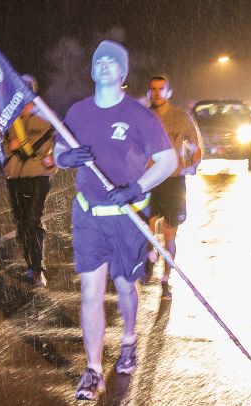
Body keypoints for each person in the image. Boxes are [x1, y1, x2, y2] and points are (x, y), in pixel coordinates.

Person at [53, 40, 177, 401]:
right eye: (99, 60)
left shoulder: (139, 116)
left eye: (112, 61)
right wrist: (66, 157)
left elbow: (168, 161)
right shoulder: (77, 112)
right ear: (92, 70)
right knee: (91, 291)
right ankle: (92, 369)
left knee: (125, 286)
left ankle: (128, 339)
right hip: (88, 215)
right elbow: (59, 150)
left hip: (126, 217)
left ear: (122, 73)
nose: (104, 64)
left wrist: (136, 188)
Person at [145, 74, 203, 299]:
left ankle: (166, 280)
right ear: (149, 92)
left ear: (168, 92)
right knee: (146, 229)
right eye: (153, 89)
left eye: (161, 88)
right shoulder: (143, 117)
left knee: (170, 235)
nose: (157, 92)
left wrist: (191, 165)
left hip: (173, 182)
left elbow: (195, 147)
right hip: (149, 180)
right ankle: (149, 255)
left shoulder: (181, 117)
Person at [3, 74, 57, 287]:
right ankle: (30, 262)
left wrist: (54, 160)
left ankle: (37, 268)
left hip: (37, 177)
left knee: (33, 221)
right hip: (15, 176)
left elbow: (61, 144)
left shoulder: (46, 118)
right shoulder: (8, 120)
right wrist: (10, 147)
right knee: (21, 223)